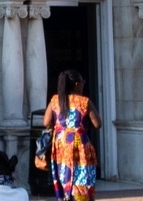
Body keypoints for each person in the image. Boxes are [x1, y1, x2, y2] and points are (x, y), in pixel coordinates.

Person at [43, 69, 100, 201]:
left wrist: (61, 128)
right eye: (82, 82)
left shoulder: (55, 100)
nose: (83, 84)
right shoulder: (84, 101)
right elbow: (97, 124)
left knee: (64, 178)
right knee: (82, 180)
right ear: (76, 84)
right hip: (80, 146)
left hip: (61, 147)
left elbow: (46, 122)